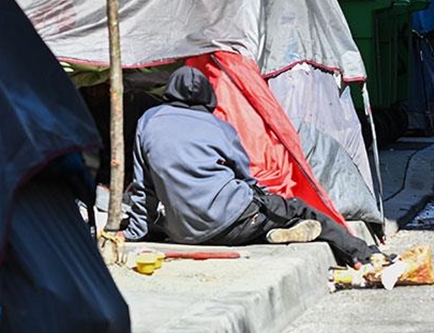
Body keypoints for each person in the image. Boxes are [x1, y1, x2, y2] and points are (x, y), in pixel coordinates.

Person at [123, 66, 382, 267]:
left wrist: (135, 234)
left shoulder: (148, 121)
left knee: (164, 220)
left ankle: (276, 231)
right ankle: (366, 256)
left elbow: (143, 187)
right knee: (298, 208)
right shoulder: (219, 126)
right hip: (235, 226)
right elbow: (246, 178)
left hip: (184, 233)